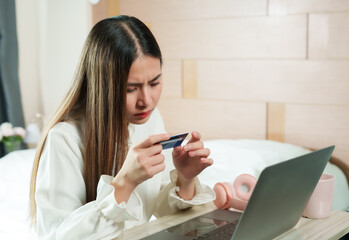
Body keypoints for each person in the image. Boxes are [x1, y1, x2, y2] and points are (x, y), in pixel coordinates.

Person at [29, 15, 215, 239]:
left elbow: (163, 211)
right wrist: (124, 184)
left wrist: (185, 179)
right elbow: (56, 236)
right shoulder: (64, 139)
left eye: (154, 83)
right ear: (101, 85)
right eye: (130, 89)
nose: (146, 100)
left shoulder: (152, 119)